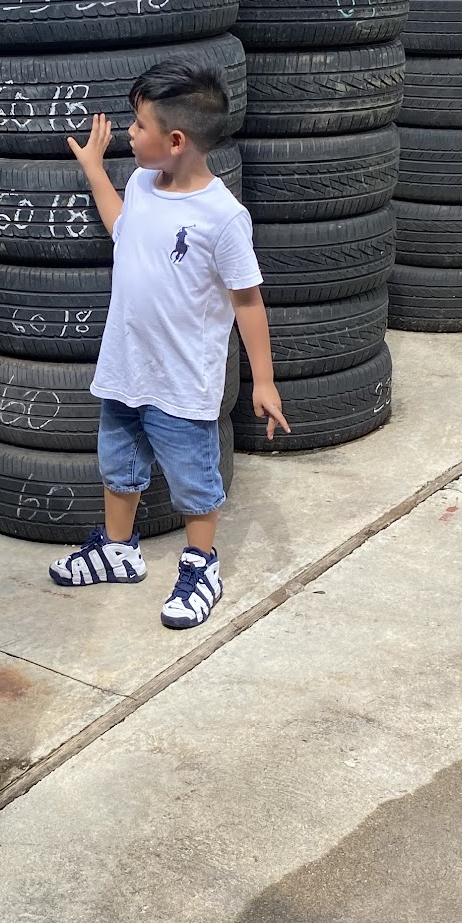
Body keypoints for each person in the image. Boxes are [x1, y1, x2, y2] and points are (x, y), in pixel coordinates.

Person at [47, 56, 289, 629]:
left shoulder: (222, 217)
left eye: (139, 126)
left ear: (175, 140)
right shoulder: (140, 183)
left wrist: (264, 380)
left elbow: (248, 301)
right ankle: (118, 550)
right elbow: (123, 229)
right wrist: (95, 171)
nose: (129, 134)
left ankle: (202, 565)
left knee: (193, 480)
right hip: (127, 367)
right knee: (118, 464)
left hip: (182, 382)